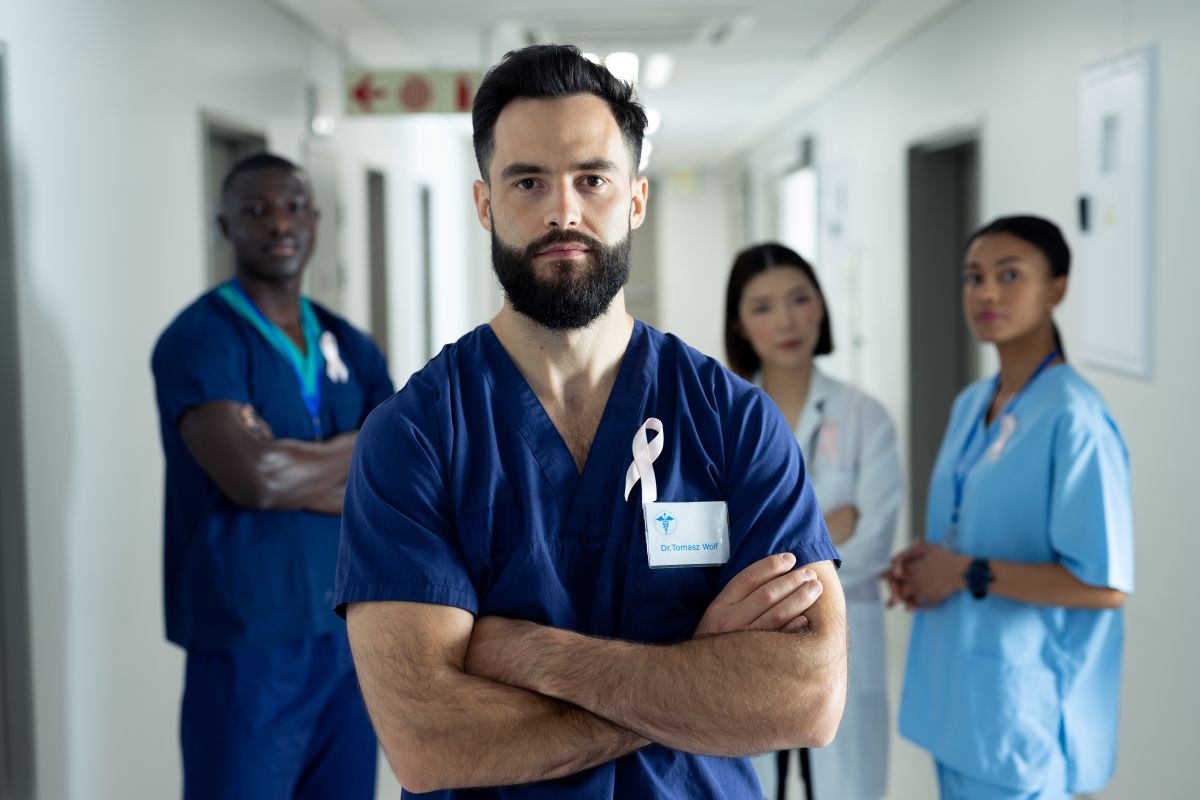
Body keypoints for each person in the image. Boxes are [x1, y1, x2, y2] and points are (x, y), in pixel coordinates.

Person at [335, 44, 848, 799]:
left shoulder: (732, 420)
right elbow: (429, 740)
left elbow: (806, 697)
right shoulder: (416, 436)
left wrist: (535, 657)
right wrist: (694, 673)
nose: (562, 211)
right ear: (485, 204)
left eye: (592, 179)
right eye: (528, 181)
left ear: (635, 199)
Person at [151, 153, 393, 798]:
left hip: (348, 640)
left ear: (315, 220)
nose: (278, 222)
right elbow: (253, 480)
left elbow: (397, 479)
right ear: (225, 225)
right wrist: (361, 447)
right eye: (256, 210)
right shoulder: (202, 340)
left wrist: (295, 462)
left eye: (293, 206)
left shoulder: (351, 343)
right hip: (248, 642)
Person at [887, 215, 1133, 800]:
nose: (987, 292)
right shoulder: (975, 402)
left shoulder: (1075, 418)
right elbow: (971, 525)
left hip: (1024, 714)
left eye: (1010, 274)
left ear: (1058, 288)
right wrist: (930, 565)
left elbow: (1104, 585)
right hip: (962, 703)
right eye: (974, 277)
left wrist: (966, 572)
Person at [725, 243, 903, 800]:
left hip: (843, 644)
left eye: (799, 299)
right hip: (750, 653)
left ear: (821, 308)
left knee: (847, 787)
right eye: (763, 307)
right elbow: (711, 544)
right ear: (739, 324)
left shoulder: (863, 417)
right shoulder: (721, 417)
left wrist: (769, 552)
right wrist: (827, 529)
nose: (785, 321)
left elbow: (872, 545)